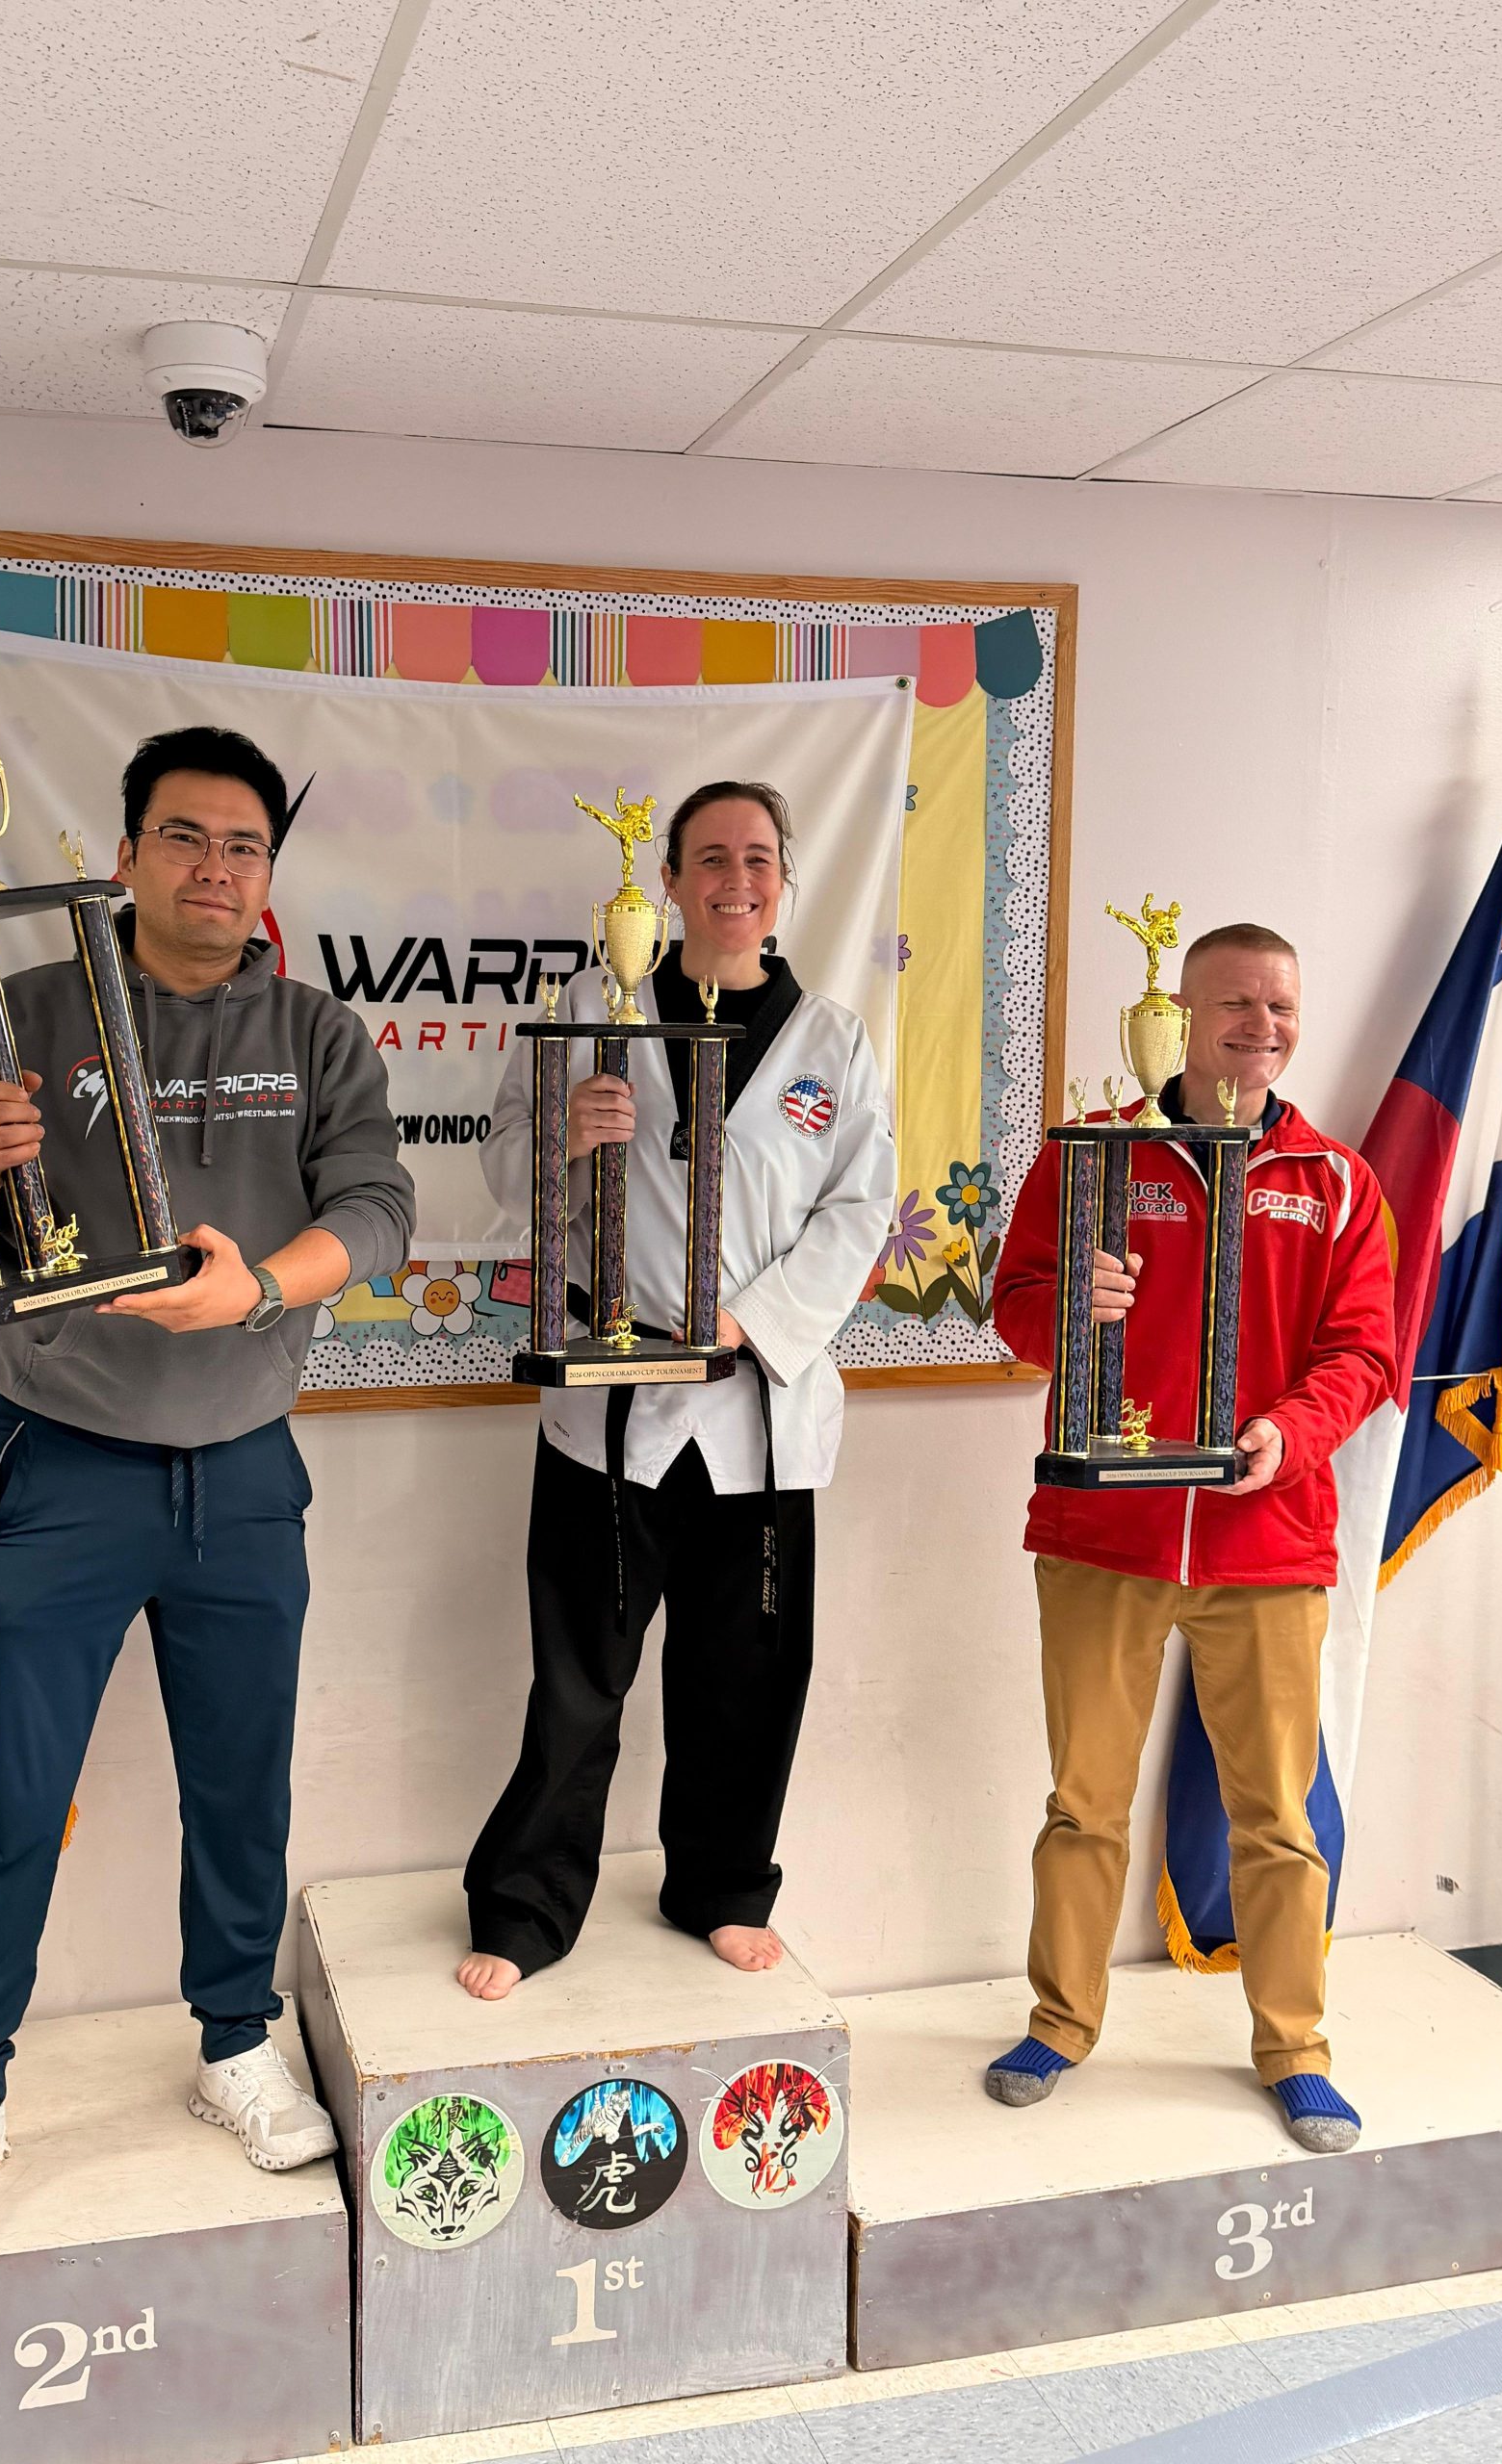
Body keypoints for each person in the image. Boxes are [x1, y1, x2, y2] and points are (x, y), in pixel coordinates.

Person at [0, 726, 415, 2245]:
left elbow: (379, 1207)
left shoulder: (315, 1031)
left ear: (268, 873)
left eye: (244, 847)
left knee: (241, 1787)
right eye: (185, 837)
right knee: (9, 1794)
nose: (214, 869)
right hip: (59, 1462)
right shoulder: (23, 1008)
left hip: (242, 1474)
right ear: (124, 856)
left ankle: (236, 2044)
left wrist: (260, 1290)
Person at [456, 781, 895, 2000]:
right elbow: (502, 1168)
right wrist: (564, 1134)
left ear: (784, 881)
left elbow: (859, 1211)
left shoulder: (833, 1042)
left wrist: (754, 1321)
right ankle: (528, 1903)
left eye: (757, 858)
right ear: (668, 881)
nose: (734, 880)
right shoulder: (589, 1010)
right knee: (577, 1677)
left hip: (760, 1403)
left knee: (745, 1674)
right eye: (710, 858)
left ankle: (722, 1887)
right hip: (611, 1400)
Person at [987, 923, 1395, 2152]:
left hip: (1267, 1540)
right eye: (1235, 1004)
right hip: (1104, 1536)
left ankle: (1296, 2047)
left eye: (1281, 1006)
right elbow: (1015, 1304)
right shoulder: (1096, 1155)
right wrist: (1075, 1307)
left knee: (1278, 1817)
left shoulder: (1337, 1180)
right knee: (1082, 1803)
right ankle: (1060, 2022)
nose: (1261, 1027)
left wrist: (1291, 1431)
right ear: (1178, 1015)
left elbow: (1367, 1352)